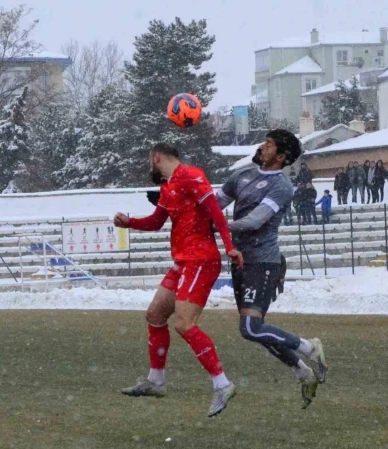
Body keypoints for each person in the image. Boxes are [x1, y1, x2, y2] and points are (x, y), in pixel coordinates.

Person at [116, 143, 244, 417]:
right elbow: (155, 222)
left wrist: (229, 246)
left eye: (150, 160)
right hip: (183, 261)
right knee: (154, 315)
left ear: (157, 157)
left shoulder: (191, 175)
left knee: (185, 325)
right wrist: (129, 222)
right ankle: (156, 381)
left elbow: (215, 212)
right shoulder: (169, 186)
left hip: (201, 260)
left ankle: (222, 384)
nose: (149, 165)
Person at [215, 129, 328, 408]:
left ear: (280, 156)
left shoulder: (281, 186)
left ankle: (309, 347)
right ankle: (303, 372)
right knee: (256, 330)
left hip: (264, 263)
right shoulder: (241, 176)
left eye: (268, 145)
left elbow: (255, 221)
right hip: (240, 261)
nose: (262, 147)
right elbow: (213, 205)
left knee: (251, 329)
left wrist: (217, 224)